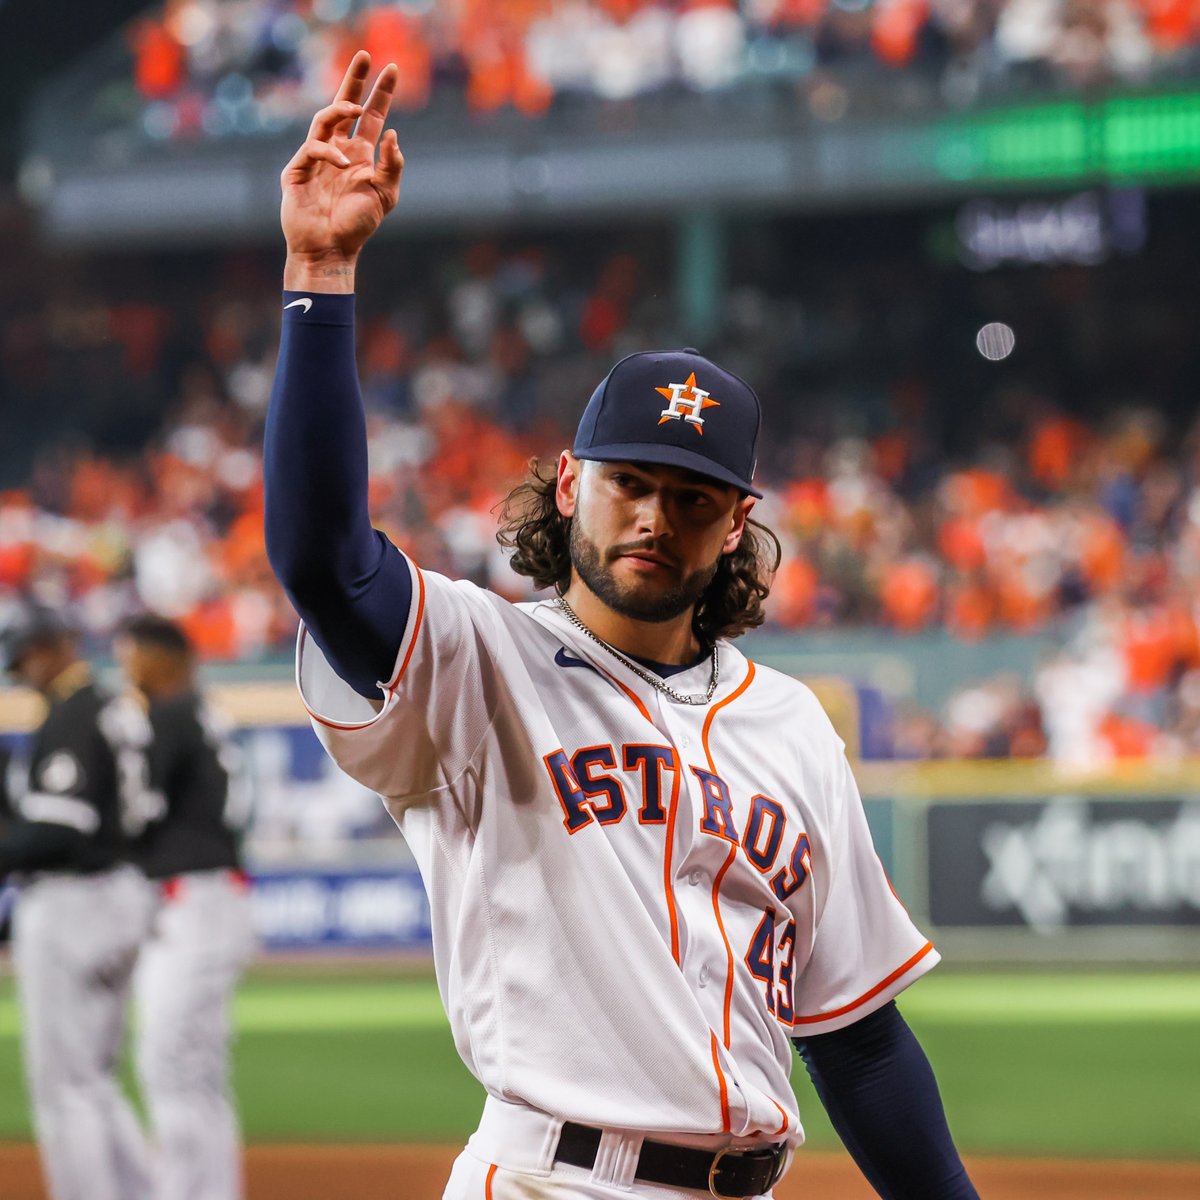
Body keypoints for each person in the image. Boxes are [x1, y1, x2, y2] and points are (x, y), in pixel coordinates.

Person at [265, 51, 979, 1200]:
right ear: (566, 487)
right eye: (628, 484)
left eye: (692, 498)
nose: (655, 518)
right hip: (553, 1181)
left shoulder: (792, 727)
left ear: (738, 524)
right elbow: (320, 561)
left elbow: (858, 1039)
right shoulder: (475, 660)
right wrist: (318, 272)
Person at [0, 606, 161, 1200]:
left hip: (76, 900)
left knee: (65, 1090)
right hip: (120, 890)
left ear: (58, 644)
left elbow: (59, 832)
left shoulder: (73, 713)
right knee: (93, 1082)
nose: (24, 671)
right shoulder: (113, 707)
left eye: (29, 655)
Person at [115, 613, 257, 1200]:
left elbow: (131, 815)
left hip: (193, 900)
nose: (127, 669)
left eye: (134, 656)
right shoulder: (201, 713)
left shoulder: (171, 718)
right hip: (205, 897)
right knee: (192, 1072)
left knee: (170, 1063)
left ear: (162, 658)